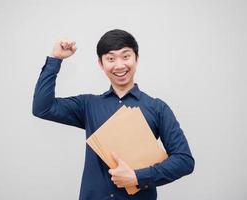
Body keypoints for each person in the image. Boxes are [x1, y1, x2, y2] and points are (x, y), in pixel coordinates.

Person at [32, 29, 195, 200]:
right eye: (110, 59)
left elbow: (184, 161)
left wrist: (138, 177)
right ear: (101, 64)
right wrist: (55, 58)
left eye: (126, 56)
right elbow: (42, 108)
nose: (119, 65)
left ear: (137, 59)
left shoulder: (157, 108)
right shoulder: (88, 105)